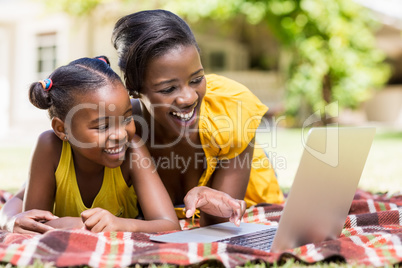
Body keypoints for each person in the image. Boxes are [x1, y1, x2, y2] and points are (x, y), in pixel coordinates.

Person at [0, 56, 246, 234]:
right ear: (62, 129)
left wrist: (119, 224)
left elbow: (169, 224)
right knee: (15, 200)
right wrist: (10, 220)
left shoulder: (133, 150)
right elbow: (33, 223)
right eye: (102, 126)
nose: (120, 134)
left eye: (127, 119)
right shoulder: (49, 146)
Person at [111, 9, 284, 226]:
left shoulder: (229, 108)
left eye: (196, 79)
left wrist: (208, 197)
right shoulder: (119, 132)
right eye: (168, 89)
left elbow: (220, 224)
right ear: (133, 88)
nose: (189, 97)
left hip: (252, 185)